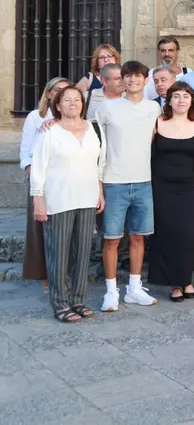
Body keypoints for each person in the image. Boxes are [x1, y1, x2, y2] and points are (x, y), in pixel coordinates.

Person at [30, 86, 104, 322]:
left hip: (86, 197)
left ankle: (78, 299)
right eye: (67, 100)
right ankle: (60, 303)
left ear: (83, 103)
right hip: (58, 199)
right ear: (58, 106)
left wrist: (99, 192)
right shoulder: (49, 131)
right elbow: (38, 166)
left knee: (83, 252)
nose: (73, 103)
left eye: (77, 99)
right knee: (58, 254)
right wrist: (38, 198)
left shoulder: (94, 128)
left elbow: (99, 164)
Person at [96, 60, 161, 310]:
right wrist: (99, 183)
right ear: (122, 80)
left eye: (138, 76)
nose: (133, 80)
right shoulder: (107, 108)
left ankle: (134, 288)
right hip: (114, 182)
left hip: (143, 181)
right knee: (111, 239)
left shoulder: (153, 108)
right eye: (128, 76)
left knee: (138, 237)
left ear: (146, 81)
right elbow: (97, 144)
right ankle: (111, 291)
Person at [148, 82, 194, 302]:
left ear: (192, 101)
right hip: (161, 187)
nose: (181, 100)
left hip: (188, 187)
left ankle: (186, 279)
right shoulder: (157, 122)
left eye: (186, 97)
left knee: (186, 234)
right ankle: (174, 284)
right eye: (177, 96)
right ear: (169, 100)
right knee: (166, 233)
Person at [20, 77, 72, 292]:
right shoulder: (36, 117)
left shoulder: (73, 117)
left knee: (65, 228)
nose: (61, 94)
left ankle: (64, 272)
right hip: (41, 179)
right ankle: (45, 275)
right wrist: (33, 172)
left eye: (65, 91)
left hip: (65, 179)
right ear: (49, 93)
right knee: (40, 229)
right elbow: (25, 151)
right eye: (57, 90)